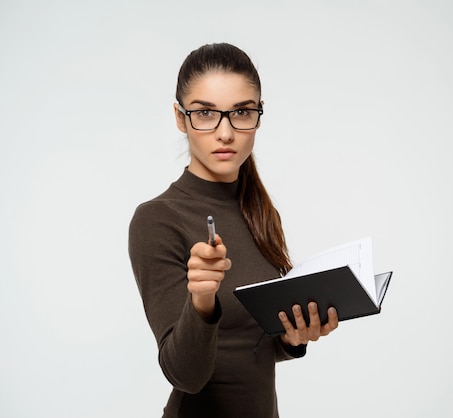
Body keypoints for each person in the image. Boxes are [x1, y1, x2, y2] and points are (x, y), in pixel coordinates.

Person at [128, 42, 339, 418]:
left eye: (242, 112)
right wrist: (202, 299)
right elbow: (186, 375)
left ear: (258, 116)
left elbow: (248, 346)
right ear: (180, 117)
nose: (225, 133)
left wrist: (292, 339)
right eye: (206, 113)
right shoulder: (156, 220)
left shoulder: (258, 208)